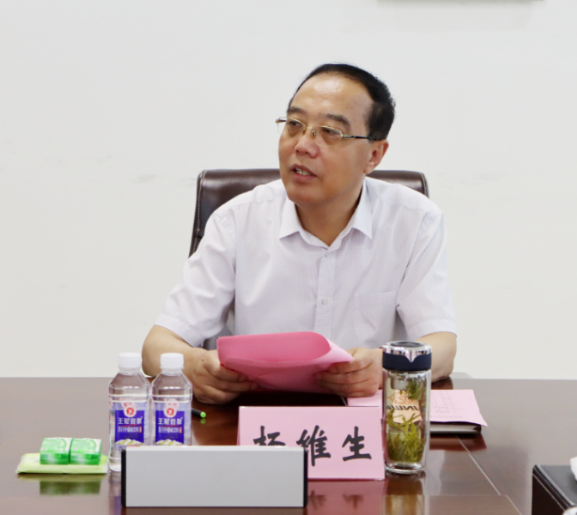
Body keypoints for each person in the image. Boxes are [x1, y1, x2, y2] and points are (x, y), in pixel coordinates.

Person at [142, 63, 457, 404]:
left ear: (374, 155)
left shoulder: (414, 221)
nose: (303, 145)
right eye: (294, 125)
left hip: (362, 425)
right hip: (255, 423)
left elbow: (442, 347)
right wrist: (194, 365)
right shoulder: (236, 221)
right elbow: (156, 348)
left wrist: (383, 366)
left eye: (330, 132)